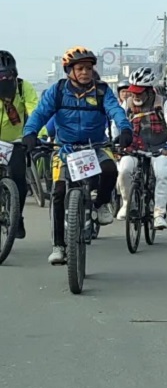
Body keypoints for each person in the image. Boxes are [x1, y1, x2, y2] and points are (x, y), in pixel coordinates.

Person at [22, 47, 132, 264]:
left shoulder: (102, 91)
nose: (85, 72)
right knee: (58, 193)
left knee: (110, 169)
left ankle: (101, 204)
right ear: (69, 71)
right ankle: (58, 246)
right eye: (80, 68)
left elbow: (116, 111)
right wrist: (30, 133)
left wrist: (125, 128)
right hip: (65, 149)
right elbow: (40, 113)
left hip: (96, 146)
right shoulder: (57, 91)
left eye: (89, 68)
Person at [115, 67, 167, 230]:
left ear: (149, 90)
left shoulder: (162, 102)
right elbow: (117, 123)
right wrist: (117, 142)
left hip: (159, 147)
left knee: (162, 175)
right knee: (124, 171)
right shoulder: (127, 103)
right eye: (133, 91)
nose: (135, 95)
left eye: (139, 92)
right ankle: (127, 204)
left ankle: (159, 214)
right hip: (134, 146)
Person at [0, 50, 38, 239]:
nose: (4, 81)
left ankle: (17, 216)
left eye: (8, 76)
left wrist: (37, 134)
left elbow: (35, 111)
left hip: (16, 141)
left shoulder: (24, 87)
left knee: (19, 181)